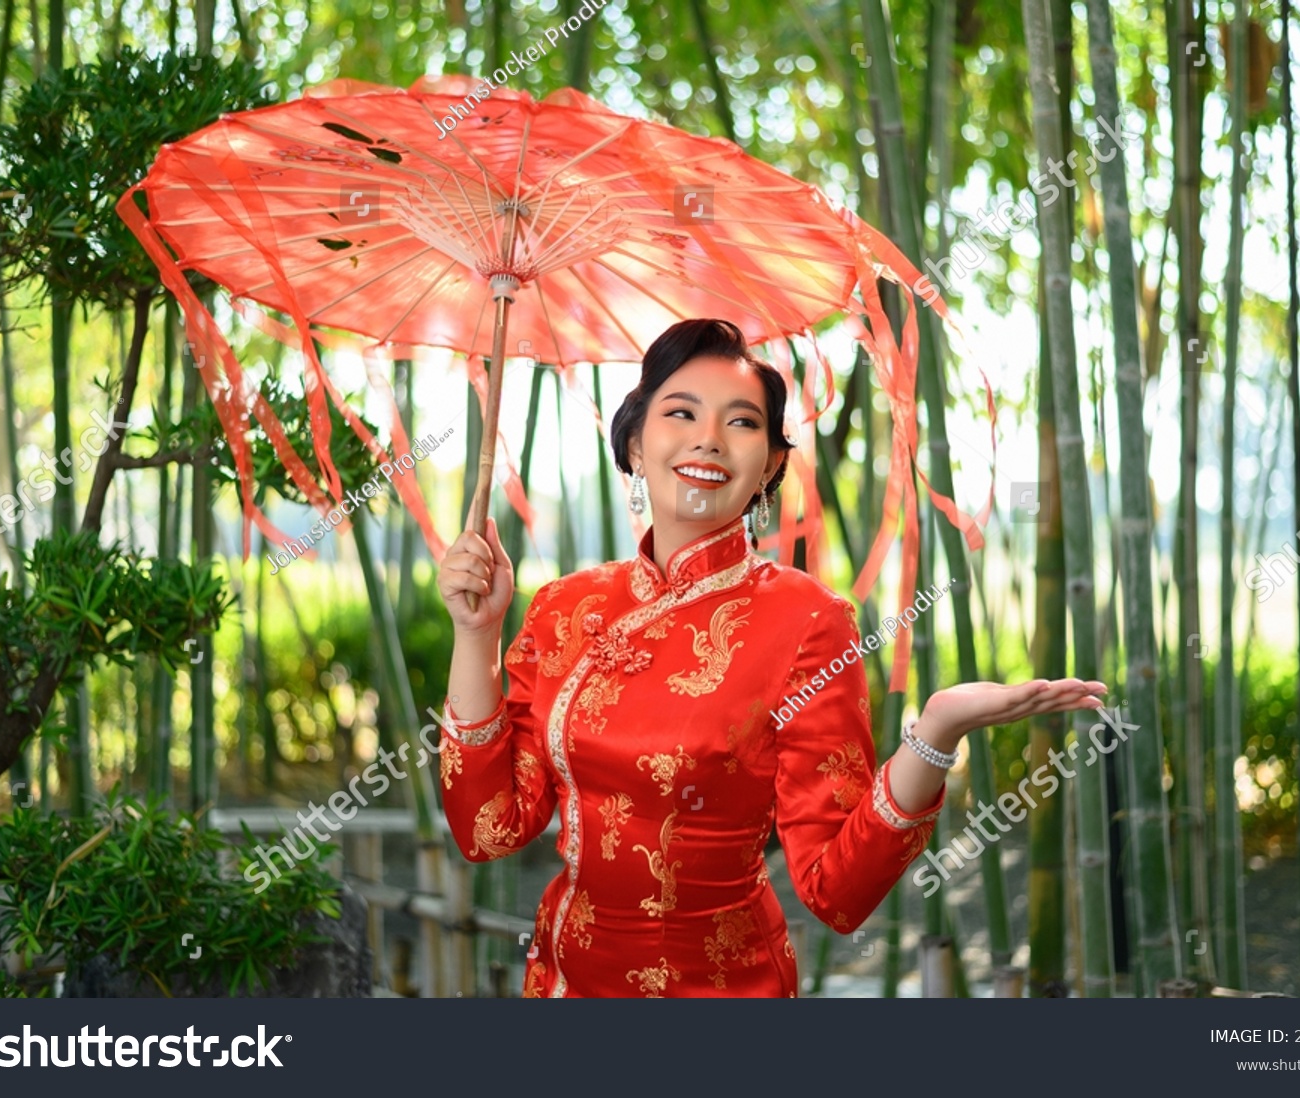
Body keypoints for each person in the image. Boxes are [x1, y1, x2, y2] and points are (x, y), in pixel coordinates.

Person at [436, 318, 1104, 997]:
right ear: (635, 442)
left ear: (772, 466)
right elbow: (487, 829)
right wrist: (476, 634)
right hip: (561, 984)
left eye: (743, 422)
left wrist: (934, 734)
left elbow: (834, 892)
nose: (708, 438)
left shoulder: (808, 623)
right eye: (681, 412)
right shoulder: (562, 608)